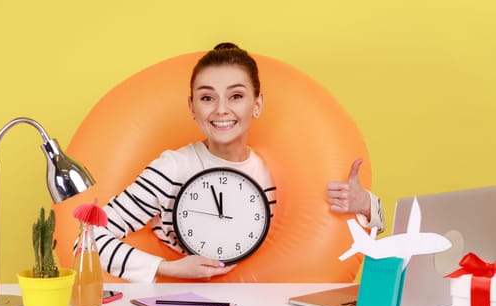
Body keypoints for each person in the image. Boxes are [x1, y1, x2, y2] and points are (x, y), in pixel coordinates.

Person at [91, 43, 384, 283]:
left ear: (256, 105)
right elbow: (87, 237)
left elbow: (369, 228)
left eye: (236, 96)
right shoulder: (172, 169)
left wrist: (366, 205)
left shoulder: (276, 178)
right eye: (207, 97)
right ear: (192, 106)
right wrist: (168, 268)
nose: (221, 110)